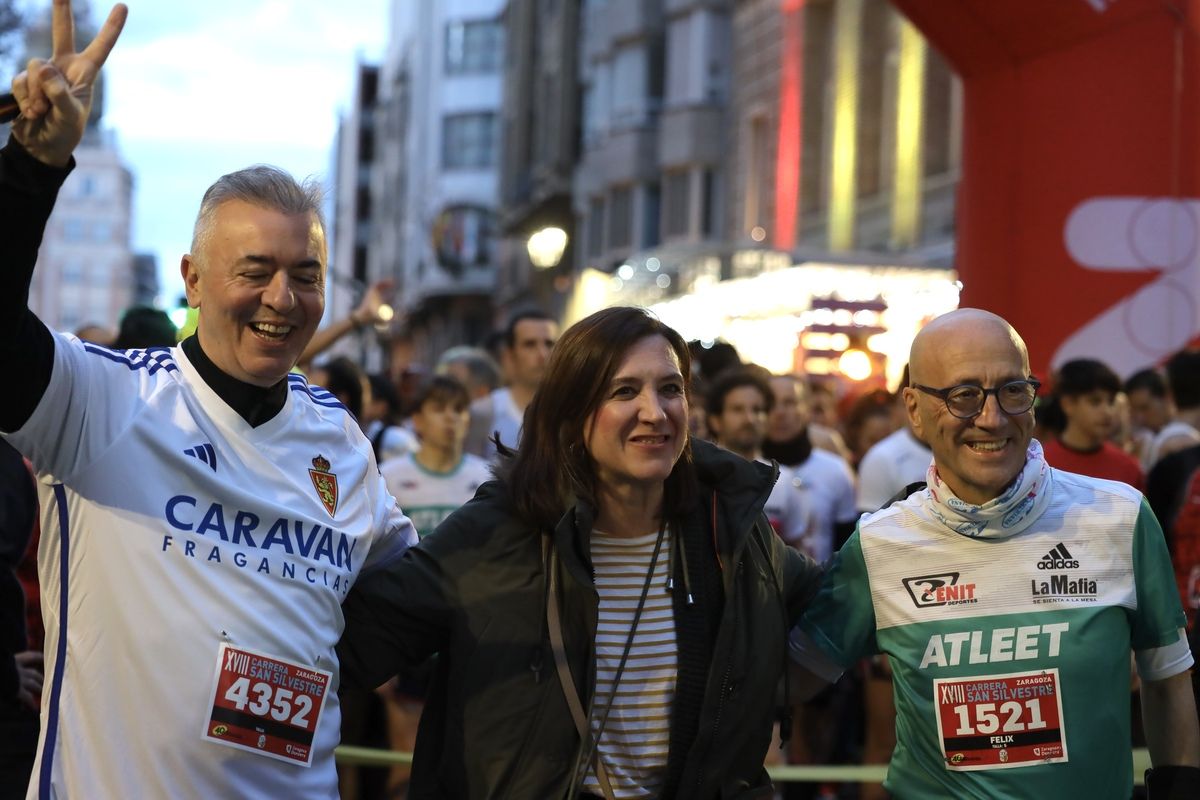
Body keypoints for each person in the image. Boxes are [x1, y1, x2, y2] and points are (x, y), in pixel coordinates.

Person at [1, 4, 416, 796]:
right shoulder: (104, 398)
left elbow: (413, 601)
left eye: (306, 276)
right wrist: (32, 166)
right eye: (254, 270)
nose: (283, 299)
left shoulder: (343, 447)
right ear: (192, 279)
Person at [339, 306, 824, 798]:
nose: (655, 412)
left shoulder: (729, 528)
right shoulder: (501, 531)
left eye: (670, 389)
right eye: (624, 391)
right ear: (571, 414)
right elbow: (356, 642)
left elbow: (835, 602)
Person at [790, 308, 1200, 798]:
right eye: (963, 396)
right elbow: (789, 680)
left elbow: (1169, 678)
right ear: (915, 409)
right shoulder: (881, 544)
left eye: (1012, 391)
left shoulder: (1120, 517)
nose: (991, 418)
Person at [705, 368, 815, 557]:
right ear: (715, 420)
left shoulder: (783, 481)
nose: (749, 419)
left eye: (757, 410)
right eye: (737, 409)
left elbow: (795, 551)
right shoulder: (700, 476)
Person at [763, 373, 858, 554]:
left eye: (790, 403)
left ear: (806, 409)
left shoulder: (835, 470)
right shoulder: (747, 469)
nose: (780, 412)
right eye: (771, 403)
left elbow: (847, 548)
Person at [464, 309, 558, 461]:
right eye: (530, 344)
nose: (542, 354)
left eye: (549, 343)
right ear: (509, 355)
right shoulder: (483, 411)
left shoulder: (573, 411)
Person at [1042, 358, 1143, 490]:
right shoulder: (1039, 466)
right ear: (1068, 404)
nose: (1107, 411)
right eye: (1095, 402)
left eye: (1111, 401)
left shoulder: (1128, 468)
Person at [1127, 366, 1200, 472]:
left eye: (1145, 408)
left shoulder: (1182, 441)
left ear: (1167, 397)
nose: (1139, 417)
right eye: (1134, 410)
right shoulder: (1145, 441)